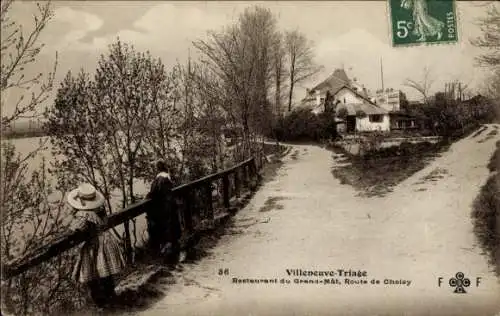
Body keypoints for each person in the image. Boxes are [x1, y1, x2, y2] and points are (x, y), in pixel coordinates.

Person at [68, 183, 125, 308]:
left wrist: (73, 218)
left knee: (91, 276)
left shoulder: (83, 215)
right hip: (106, 240)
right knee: (105, 274)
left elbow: (75, 229)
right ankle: (111, 300)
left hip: (95, 244)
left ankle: (101, 304)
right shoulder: (99, 209)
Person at [146, 160, 182, 264]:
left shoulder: (159, 180)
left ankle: (168, 258)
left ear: (157, 169)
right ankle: (173, 252)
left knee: (165, 231)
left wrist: (148, 197)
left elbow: (153, 194)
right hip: (171, 207)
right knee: (172, 229)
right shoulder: (168, 178)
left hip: (163, 209)